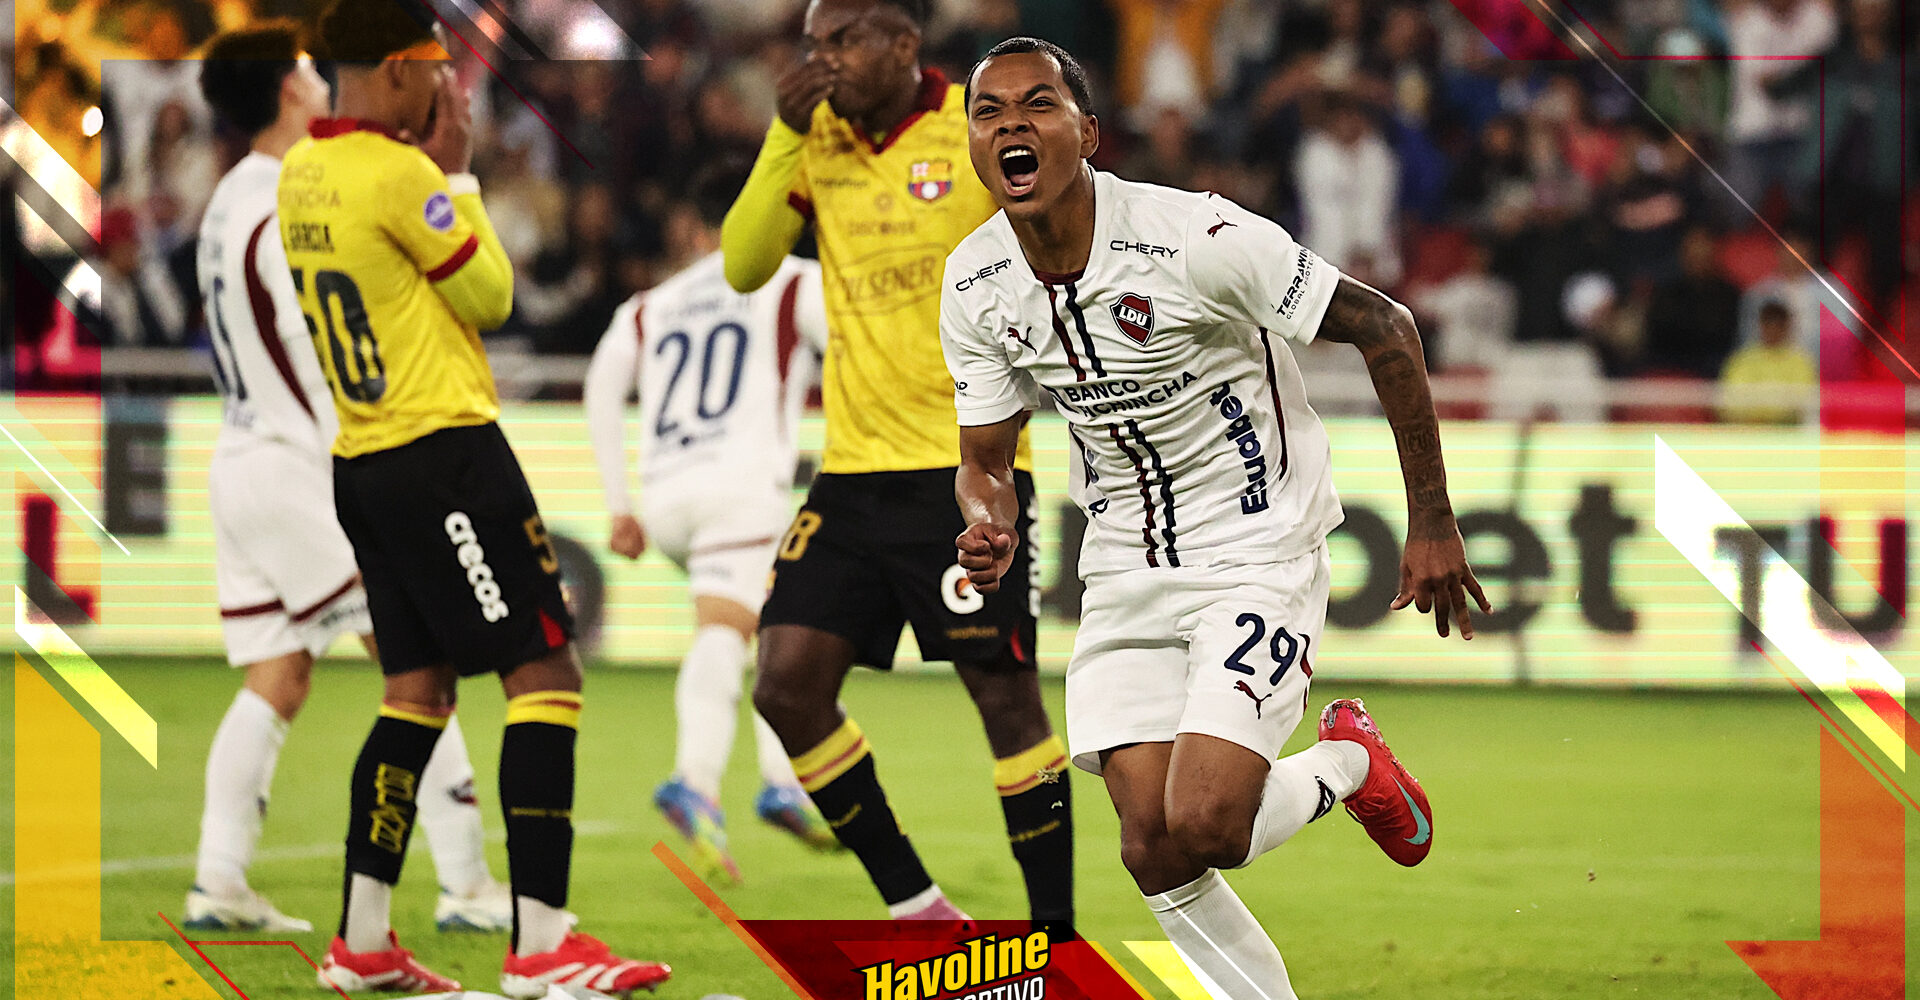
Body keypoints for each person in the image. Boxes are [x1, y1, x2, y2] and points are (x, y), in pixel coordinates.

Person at [944, 39, 1487, 999]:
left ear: (1089, 134)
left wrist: (1432, 521)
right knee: (1151, 845)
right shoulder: (975, 282)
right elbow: (984, 461)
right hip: (1121, 565)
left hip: (1255, 548)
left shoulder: (1197, 238)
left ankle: (1345, 763)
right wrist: (989, 522)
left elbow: (1387, 328)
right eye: (989, 112)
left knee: (1208, 823)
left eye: (1037, 105)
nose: (1011, 125)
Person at [280, 0, 669, 994]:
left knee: (415, 693)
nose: (448, 86)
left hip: (363, 458)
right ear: (398, 71)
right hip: (444, 452)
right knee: (546, 672)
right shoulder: (404, 174)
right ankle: (541, 947)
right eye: (437, 67)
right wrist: (455, 173)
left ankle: (362, 941)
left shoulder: (302, 170)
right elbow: (491, 296)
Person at [721, 0, 1075, 934]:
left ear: (903, 43)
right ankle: (921, 913)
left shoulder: (975, 126)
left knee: (1004, 701)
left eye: (842, 40)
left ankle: (1055, 938)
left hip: (967, 468)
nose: (823, 59)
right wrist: (783, 133)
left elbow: (1063, 231)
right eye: (813, 43)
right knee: (785, 687)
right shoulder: (816, 139)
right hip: (851, 474)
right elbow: (744, 265)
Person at [188, 22, 513, 938]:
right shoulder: (291, 201)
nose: (321, 80)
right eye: (307, 70)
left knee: (279, 676)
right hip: (297, 465)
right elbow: (334, 345)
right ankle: (468, 884)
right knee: (418, 668)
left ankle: (218, 880)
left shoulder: (228, 201)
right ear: (291, 89)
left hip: (240, 460)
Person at [583, 166, 837, 883]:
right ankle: (702, 780)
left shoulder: (649, 305)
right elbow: (851, 351)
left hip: (667, 497)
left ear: (693, 230)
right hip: (741, 488)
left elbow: (602, 385)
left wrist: (619, 504)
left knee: (783, 619)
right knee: (736, 628)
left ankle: (781, 778)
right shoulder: (790, 280)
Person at [1718, 300, 1816, 424]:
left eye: (1778, 325)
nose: (1773, 330)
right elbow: (1730, 401)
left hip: (1789, 430)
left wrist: (1773, 417)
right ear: (1761, 325)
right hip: (1747, 430)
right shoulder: (1742, 360)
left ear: (1787, 327)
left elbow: (1803, 400)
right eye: (1769, 324)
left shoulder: (1801, 362)